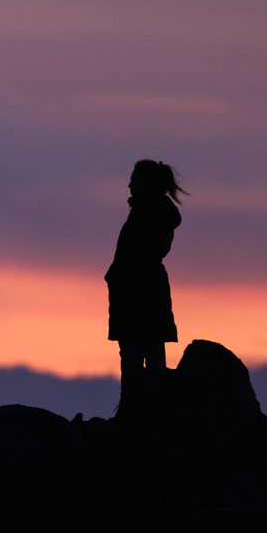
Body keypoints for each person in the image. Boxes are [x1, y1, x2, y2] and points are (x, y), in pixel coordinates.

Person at [104, 159, 186, 416]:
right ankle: (143, 412)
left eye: (134, 179)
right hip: (144, 290)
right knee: (148, 349)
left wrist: (119, 277)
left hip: (138, 292)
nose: (129, 184)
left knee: (138, 351)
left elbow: (138, 254)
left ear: (146, 184)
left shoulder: (147, 214)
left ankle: (135, 414)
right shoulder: (150, 213)